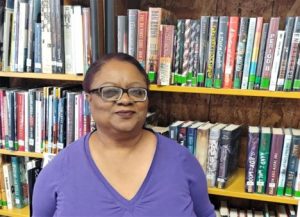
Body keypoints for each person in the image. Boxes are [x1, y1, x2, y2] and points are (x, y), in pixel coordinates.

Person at [32, 53, 215, 217]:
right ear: (89, 99)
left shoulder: (182, 161)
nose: (125, 100)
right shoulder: (57, 171)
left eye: (137, 92)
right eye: (110, 92)